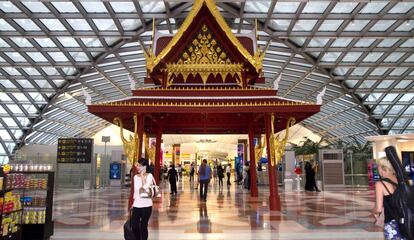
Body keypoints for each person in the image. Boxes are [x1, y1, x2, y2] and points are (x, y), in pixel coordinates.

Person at [372, 157, 404, 240]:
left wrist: (374, 211)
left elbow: (378, 209)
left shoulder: (380, 184)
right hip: (407, 221)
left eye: (378, 167)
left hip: (392, 224)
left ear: (383, 168)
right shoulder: (402, 180)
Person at [132, 158, 154, 240]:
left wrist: (142, 175)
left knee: (143, 226)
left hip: (147, 205)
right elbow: (135, 192)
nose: (137, 167)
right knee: (134, 226)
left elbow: (145, 188)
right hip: (137, 205)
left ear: (145, 167)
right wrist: (133, 204)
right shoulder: (135, 177)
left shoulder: (149, 176)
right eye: (137, 165)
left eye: (140, 166)